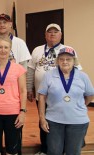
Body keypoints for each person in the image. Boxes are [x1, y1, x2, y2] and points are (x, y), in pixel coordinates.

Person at [26, 23, 82, 155]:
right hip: (42, 94)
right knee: (43, 120)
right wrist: (29, 88)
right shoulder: (37, 50)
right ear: (45, 35)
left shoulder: (69, 50)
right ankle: (45, 149)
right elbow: (30, 71)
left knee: (60, 122)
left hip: (61, 95)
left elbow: (78, 72)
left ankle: (62, 148)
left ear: (60, 35)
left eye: (55, 32)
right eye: (49, 32)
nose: (52, 34)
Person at [38, 47, 94, 155]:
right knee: (54, 152)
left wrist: (79, 105)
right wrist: (42, 118)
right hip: (54, 121)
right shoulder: (49, 75)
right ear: (57, 60)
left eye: (68, 59)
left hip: (78, 122)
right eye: (61, 59)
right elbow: (41, 97)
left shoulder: (83, 76)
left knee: (73, 152)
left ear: (74, 61)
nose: (65, 62)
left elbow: (90, 95)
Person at [0, 36, 27, 154]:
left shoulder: (18, 69)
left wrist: (23, 112)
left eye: (6, 47)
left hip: (13, 113)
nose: (3, 50)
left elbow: (23, 90)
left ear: (10, 49)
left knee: (12, 149)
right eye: (0, 47)